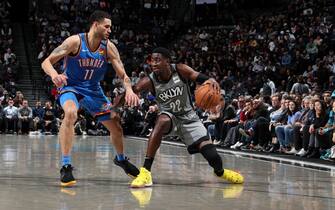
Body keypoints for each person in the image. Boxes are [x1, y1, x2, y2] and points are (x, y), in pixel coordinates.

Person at [41, 10, 140, 187]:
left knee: (116, 124)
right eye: (107, 26)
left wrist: (129, 89)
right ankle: (66, 165)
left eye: (111, 27)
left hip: (93, 90)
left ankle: (121, 159)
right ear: (96, 24)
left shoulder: (108, 47)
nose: (110, 30)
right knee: (71, 113)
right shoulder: (75, 41)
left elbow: (123, 73)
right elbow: (46, 62)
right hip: (71, 86)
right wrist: (55, 74)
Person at [131, 47, 244, 188]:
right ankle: (145, 172)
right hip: (170, 116)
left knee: (212, 156)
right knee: (161, 120)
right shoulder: (149, 80)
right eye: (152, 61)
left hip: (189, 117)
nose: (153, 63)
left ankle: (220, 172)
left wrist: (210, 79)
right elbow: (131, 91)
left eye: (158, 60)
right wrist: (114, 108)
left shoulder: (180, 69)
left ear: (167, 61)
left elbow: (199, 76)